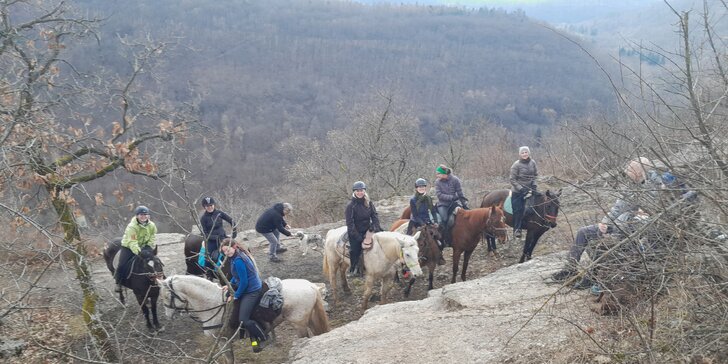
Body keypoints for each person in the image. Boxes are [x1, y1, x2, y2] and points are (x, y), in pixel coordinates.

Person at [551, 157, 661, 285]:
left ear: (639, 171)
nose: (627, 171)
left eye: (630, 169)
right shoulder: (630, 185)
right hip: (618, 225)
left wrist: (617, 227)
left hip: (631, 230)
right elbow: (617, 208)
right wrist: (605, 223)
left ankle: (591, 279)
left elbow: (648, 217)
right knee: (583, 232)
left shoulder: (655, 188)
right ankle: (570, 269)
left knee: (605, 244)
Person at [221, 240, 267, 353]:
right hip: (246, 287)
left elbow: (244, 282)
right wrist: (229, 284)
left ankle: (264, 338)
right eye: (224, 252)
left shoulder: (238, 260)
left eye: (228, 250)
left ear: (234, 246)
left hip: (252, 290)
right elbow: (235, 275)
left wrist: (235, 296)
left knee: (244, 319)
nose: (226, 253)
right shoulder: (234, 258)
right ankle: (254, 342)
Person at [115, 205, 158, 293]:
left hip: (144, 246)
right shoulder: (132, 227)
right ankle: (118, 283)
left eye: (145, 214)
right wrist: (139, 252)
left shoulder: (152, 225)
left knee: (155, 260)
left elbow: (153, 236)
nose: (143, 216)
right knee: (121, 264)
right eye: (141, 215)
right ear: (137, 216)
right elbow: (132, 242)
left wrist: (148, 246)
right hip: (129, 247)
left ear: (148, 216)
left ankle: (160, 277)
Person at [345, 181, 383, 277]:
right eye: (357, 191)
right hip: (355, 230)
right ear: (354, 192)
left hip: (368, 228)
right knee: (355, 249)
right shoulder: (350, 206)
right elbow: (350, 223)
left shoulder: (369, 203)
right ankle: (354, 269)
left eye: (361, 190)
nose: (360, 192)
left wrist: (375, 226)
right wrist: (358, 237)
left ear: (364, 191)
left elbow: (374, 215)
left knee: (384, 238)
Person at [408, 177, 446, 265]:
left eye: (423, 186)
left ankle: (439, 256)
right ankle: (406, 262)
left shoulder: (428, 198)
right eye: (419, 187)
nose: (421, 188)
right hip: (416, 221)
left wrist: (435, 221)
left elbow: (432, 210)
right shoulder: (413, 200)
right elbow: (415, 215)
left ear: (425, 187)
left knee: (439, 237)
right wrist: (423, 224)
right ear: (416, 188)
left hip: (426, 220)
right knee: (408, 240)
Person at [199, 197, 238, 280]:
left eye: (211, 205)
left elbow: (231, 220)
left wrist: (234, 233)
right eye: (207, 206)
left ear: (214, 205)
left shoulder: (219, 213)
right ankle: (209, 274)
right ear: (204, 207)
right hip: (211, 240)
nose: (210, 207)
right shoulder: (203, 218)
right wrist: (215, 238)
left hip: (223, 237)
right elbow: (204, 233)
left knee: (237, 248)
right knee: (208, 256)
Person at [509, 146, 538, 239]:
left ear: (529, 153)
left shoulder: (533, 162)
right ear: (520, 154)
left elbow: (535, 175)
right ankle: (517, 229)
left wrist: (534, 184)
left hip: (531, 189)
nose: (524, 154)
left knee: (536, 206)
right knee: (518, 210)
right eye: (523, 153)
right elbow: (512, 179)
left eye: (526, 152)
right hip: (518, 191)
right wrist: (521, 189)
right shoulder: (516, 165)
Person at [434, 164, 467, 246]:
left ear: (444, 174)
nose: (437, 175)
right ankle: (444, 239)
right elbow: (439, 195)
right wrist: (451, 197)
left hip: (454, 203)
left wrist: (464, 203)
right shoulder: (437, 182)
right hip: (443, 204)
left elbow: (460, 192)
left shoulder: (455, 180)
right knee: (444, 219)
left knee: (463, 216)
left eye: (438, 174)